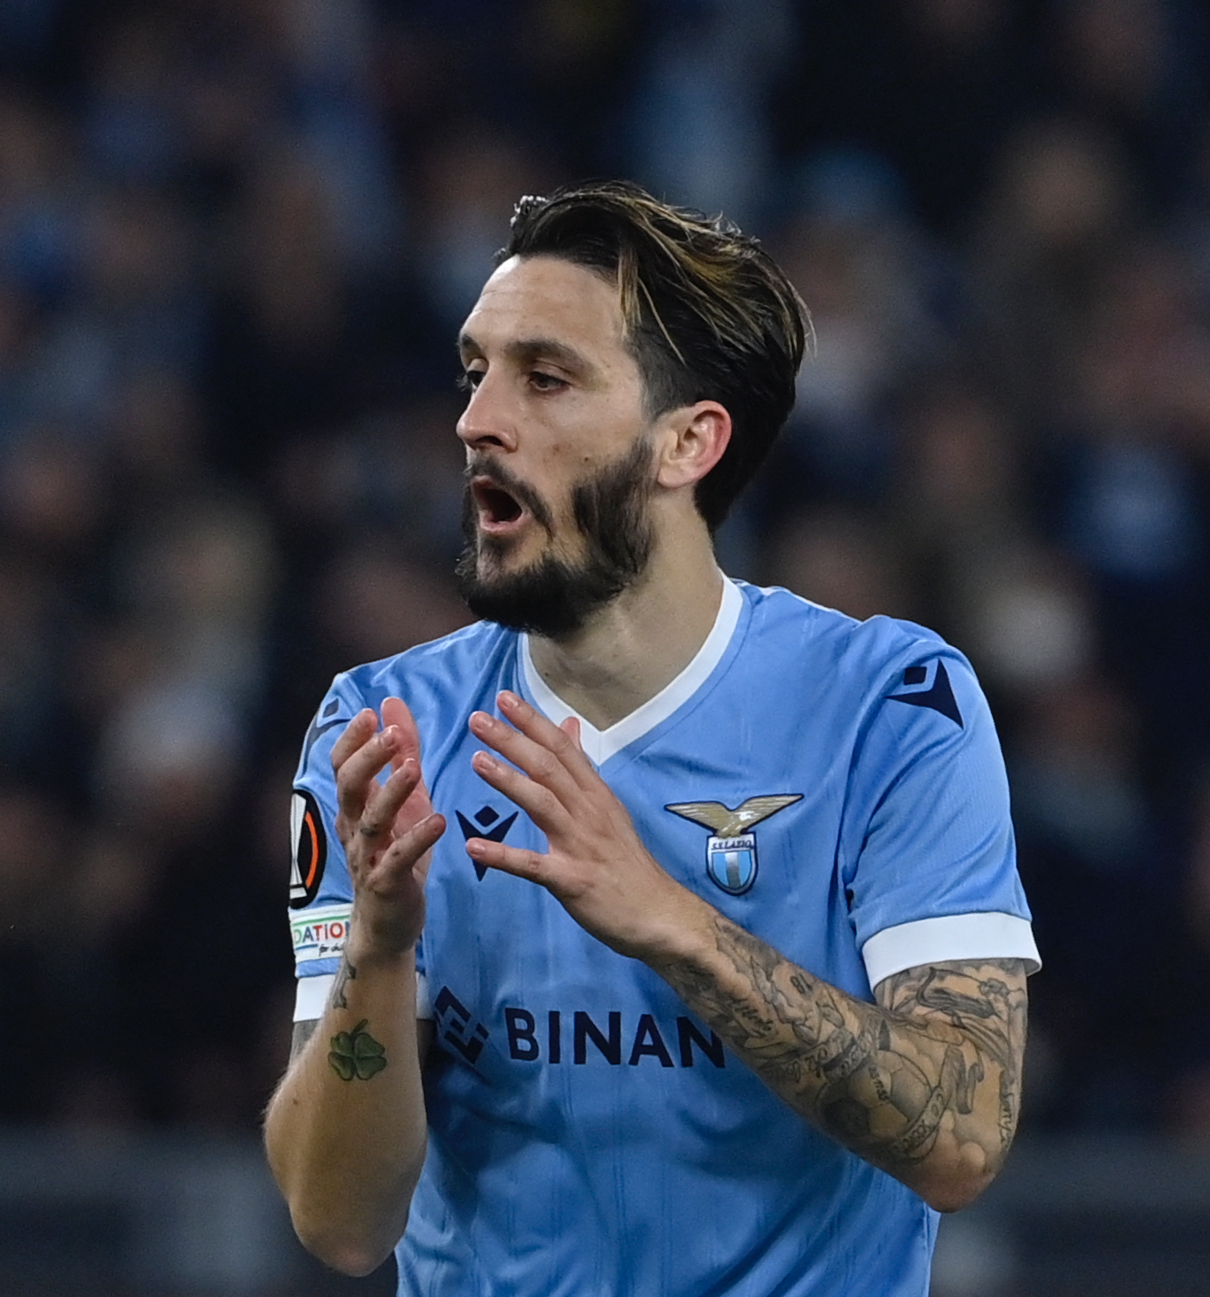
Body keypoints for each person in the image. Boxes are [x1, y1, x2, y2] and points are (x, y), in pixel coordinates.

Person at [263, 180, 1039, 1296]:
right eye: (476, 372)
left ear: (686, 443)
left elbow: (961, 1135)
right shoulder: (385, 729)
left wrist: (673, 922)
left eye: (545, 377)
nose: (477, 420)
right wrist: (380, 953)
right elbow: (338, 1223)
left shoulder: (889, 707)